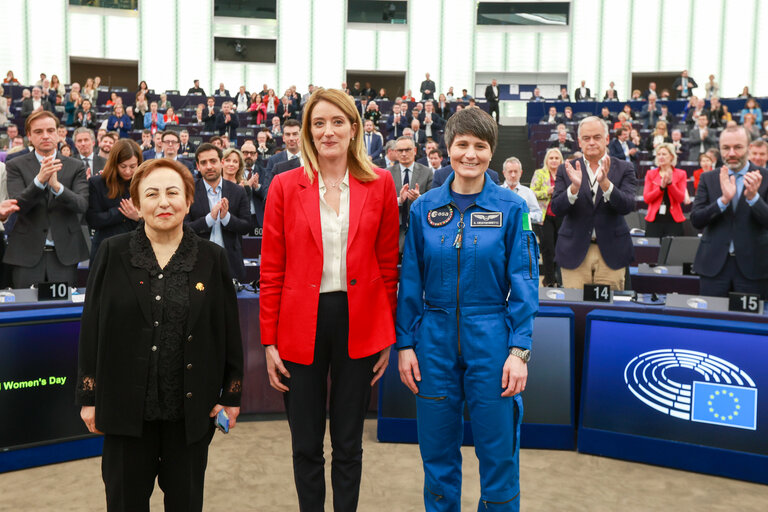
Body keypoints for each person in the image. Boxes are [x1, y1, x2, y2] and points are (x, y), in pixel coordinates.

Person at [76, 157, 243, 511]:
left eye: (172, 193)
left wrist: (231, 394)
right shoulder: (112, 252)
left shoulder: (212, 257)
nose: (163, 202)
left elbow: (227, 329)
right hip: (124, 414)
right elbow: (91, 327)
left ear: (188, 200)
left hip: (190, 416)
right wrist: (88, 398)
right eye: (151, 194)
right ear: (136, 203)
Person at [260, 88, 399, 511]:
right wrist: (269, 342)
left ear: (354, 128)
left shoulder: (381, 183)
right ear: (307, 132)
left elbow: (389, 267)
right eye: (318, 123)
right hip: (299, 323)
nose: (328, 131)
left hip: (359, 322)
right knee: (305, 443)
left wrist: (385, 335)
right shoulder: (284, 186)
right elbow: (271, 271)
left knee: (348, 442)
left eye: (338, 122)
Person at [396, 107, 537, 511]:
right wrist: (406, 344)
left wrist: (519, 350)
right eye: (462, 145)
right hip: (433, 345)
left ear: (491, 153)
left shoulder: (513, 209)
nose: (470, 154)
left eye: (480, 146)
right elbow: (410, 281)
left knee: (499, 459)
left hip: (493, 344)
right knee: (437, 459)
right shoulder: (424, 209)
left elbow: (525, 284)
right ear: (448, 149)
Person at [4, 110, 89, 287]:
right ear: (29, 136)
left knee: (63, 313)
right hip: (25, 254)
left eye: (50, 131)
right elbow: (18, 204)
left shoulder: (76, 166)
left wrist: (57, 188)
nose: (45, 136)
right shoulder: (14, 165)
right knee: (25, 311)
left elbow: (82, 204)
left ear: (59, 133)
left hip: (64, 254)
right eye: (38, 132)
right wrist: (40, 180)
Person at [551, 116, 637, 290]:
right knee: (574, 309)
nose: (591, 142)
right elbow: (556, 208)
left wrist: (605, 184)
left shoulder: (624, 168)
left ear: (606, 139)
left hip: (612, 253)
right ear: (579, 142)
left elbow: (627, 206)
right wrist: (574, 189)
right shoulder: (566, 168)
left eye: (597, 137)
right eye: (586, 138)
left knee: (607, 314)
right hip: (573, 252)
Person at [691, 125, 768, 298]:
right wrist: (722, 201)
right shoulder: (708, 178)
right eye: (726, 148)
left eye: (738, 147)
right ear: (719, 150)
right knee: (711, 322)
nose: (731, 153)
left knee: (749, 324)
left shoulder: (765, 177)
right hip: (713, 267)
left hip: (754, 268)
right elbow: (696, 220)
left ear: (748, 148)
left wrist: (753, 198)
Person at [185, 143, 251, 282]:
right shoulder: (189, 191)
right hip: (197, 263)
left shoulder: (238, 191)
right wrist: (209, 219)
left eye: (213, 161)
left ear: (221, 162)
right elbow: (183, 228)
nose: (209, 166)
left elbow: (246, 227)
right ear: (198, 166)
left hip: (230, 264)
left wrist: (226, 218)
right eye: (204, 162)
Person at [85, 138, 142, 264]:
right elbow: (93, 219)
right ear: (114, 163)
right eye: (123, 166)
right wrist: (121, 211)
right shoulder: (98, 183)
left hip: (136, 250)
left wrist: (137, 217)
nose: (128, 171)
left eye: (133, 166)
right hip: (106, 249)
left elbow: (153, 222)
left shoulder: (144, 184)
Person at [388, 136, 433, 250]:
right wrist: (399, 200)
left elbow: (433, 201)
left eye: (407, 150)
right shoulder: (387, 173)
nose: (404, 153)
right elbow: (381, 202)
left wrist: (419, 198)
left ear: (415, 150)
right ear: (395, 152)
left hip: (418, 228)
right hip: (393, 229)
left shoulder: (427, 172)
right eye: (400, 150)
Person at [531, 148, 564, 287]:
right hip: (545, 217)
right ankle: (549, 280)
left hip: (562, 215)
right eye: (551, 158)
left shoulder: (565, 174)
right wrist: (547, 191)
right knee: (548, 249)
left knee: (561, 249)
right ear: (546, 160)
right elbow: (532, 192)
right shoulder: (540, 173)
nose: (554, 160)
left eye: (557, 158)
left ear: (560, 160)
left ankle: (560, 279)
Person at [643, 143, 687, 238]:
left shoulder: (681, 174)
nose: (660, 157)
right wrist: (661, 188)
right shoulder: (650, 174)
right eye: (658, 154)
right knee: (653, 251)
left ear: (671, 156)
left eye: (664, 154)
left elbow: (680, 198)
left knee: (673, 252)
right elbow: (647, 198)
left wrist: (670, 184)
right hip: (654, 221)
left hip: (673, 221)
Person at [501, 157, 542, 223]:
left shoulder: (528, 192)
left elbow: (539, 215)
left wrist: (523, 216)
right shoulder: (497, 192)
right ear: (504, 173)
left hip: (521, 231)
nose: (513, 175)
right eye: (510, 171)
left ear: (521, 173)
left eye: (516, 171)